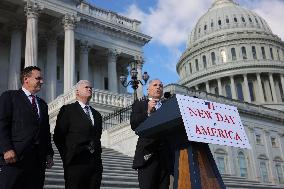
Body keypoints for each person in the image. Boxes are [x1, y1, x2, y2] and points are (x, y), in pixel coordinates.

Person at [0, 66, 54, 189]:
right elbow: (2, 124)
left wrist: (49, 153)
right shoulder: (9, 97)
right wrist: (6, 148)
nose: (42, 81)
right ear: (26, 79)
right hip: (15, 158)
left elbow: (45, 131)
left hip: (37, 161)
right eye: (38, 78)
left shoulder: (42, 104)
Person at [53, 80, 103, 189]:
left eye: (90, 87)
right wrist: (67, 156)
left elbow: (97, 137)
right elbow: (58, 136)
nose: (89, 89)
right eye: (86, 87)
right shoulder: (68, 110)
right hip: (75, 162)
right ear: (77, 92)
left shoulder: (97, 114)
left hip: (95, 164)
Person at [130, 79, 171, 189]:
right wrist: (147, 111)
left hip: (165, 157)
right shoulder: (139, 104)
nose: (158, 87)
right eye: (155, 85)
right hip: (147, 155)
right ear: (148, 90)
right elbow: (134, 125)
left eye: (161, 86)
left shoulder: (168, 106)